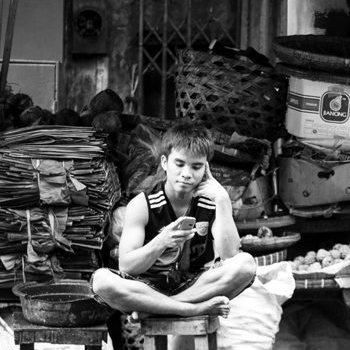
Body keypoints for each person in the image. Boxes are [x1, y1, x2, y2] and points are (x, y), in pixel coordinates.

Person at [91, 122, 256, 319]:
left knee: (246, 264)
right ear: (164, 163)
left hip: (195, 286)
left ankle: (159, 309)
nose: (187, 174)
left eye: (196, 167)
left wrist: (222, 201)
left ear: (206, 168)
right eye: (179, 164)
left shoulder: (213, 201)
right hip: (148, 289)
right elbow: (127, 267)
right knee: (101, 280)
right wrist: (163, 241)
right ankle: (189, 310)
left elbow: (230, 254)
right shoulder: (142, 204)